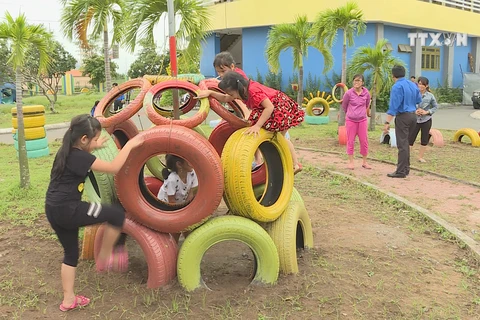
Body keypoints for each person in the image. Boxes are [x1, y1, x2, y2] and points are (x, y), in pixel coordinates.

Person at [45, 114, 142, 312]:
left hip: (53, 209)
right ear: (83, 139)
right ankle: (105, 256)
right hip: (69, 209)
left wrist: (94, 146)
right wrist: (130, 146)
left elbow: (83, 158)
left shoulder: (66, 152)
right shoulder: (81, 157)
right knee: (116, 213)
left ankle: (68, 300)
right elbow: (114, 168)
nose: (97, 142)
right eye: (95, 139)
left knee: (70, 254)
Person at [196, 71, 304, 174]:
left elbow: (269, 107)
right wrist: (210, 92)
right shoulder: (242, 91)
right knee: (279, 138)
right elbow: (225, 98)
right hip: (274, 107)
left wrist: (257, 126)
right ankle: (291, 164)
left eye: (232, 94)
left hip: (279, 107)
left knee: (281, 138)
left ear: (238, 88)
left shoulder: (253, 91)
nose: (232, 97)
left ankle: (295, 164)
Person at [213, 51, 263, 168]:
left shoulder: (239, 78)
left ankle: (258, 160)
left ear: (232, 67)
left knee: (249, 129)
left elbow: (241, 98)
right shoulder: (231, 77)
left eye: (223, 71)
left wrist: (247, 115)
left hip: (246, 108)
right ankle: (256, 160)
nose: (221, 75)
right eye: (218, 72)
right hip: (238, 107)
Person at [384, 65, 422, 178]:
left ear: (393, 75)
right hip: (413, 116)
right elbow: (419, 99)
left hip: (403, 117)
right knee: (406, 143)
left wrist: (387, 122)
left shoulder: (397, 86)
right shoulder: (412, 84)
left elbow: (394, 106)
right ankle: (406, 168)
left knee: (402, 144)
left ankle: (400, 171)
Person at [341, 74, 371, 170]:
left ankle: (364, 162)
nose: (356, 82)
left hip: (362, 120)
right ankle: (351, 162)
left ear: (362, 83)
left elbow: (367, 105)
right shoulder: (348, 93)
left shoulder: (366, 93)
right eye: (355, 80)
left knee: (364, 141)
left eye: (358, 80)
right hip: (351, 121)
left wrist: (360, 113)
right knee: (350, 141)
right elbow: (344, 105)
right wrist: (350, 113)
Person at [409, 76, 438, 163]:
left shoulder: (430, 96)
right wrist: (414, 111)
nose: (420, 86)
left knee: (424, 139)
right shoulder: (413, 94)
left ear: (426, 86)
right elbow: (408, 105)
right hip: (415, 120)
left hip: (426, 120)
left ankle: (420, 157)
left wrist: (427, 112)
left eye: (423, 84)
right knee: (410, 138)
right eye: (419, 84)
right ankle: (407, 157)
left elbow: (435, 107)